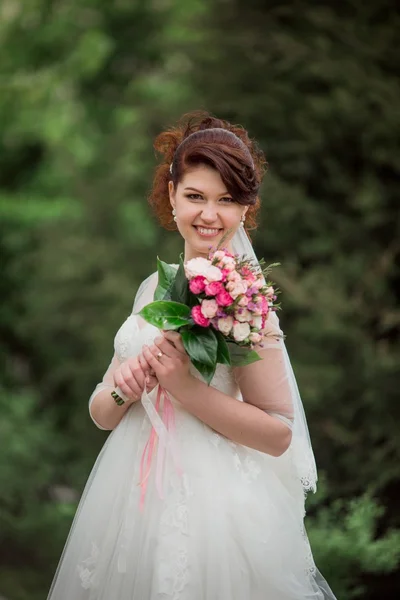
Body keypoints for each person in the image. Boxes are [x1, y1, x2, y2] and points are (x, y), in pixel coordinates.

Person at [47, 112, 337, 599]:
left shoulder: (246, 299)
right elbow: (101, 412)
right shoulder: (151, 290)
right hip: (129, 502)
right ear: (172, 193)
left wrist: (186, 389)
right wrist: (126, 386)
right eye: (196, 196)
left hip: (211, 511)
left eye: (227, 201)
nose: (209, 214)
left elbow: (278, 432)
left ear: (246, 208)